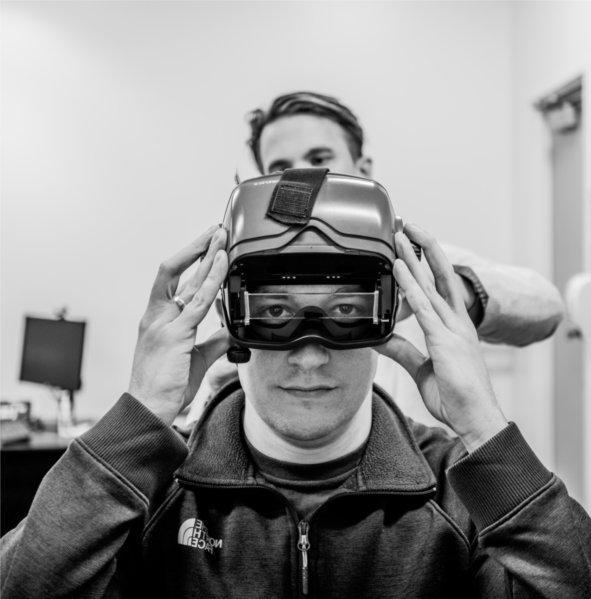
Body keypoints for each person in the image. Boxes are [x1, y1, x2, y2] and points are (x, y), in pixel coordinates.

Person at [0, 207, 591, 598]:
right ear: (234, 324)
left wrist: (484, 428)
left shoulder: (461, 491)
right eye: (277, 315)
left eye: (344, 315)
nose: (310, 358)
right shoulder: (153, 487)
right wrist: (136, 420)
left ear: (385, 322)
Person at [189, 91, 564, 429]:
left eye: (319, 159)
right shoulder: (244, 276)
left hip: (417, 479)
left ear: (363, 170)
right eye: (281, 168)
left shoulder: (412, 262)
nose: (300, 178)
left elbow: (545, 306)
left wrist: (445, 295)